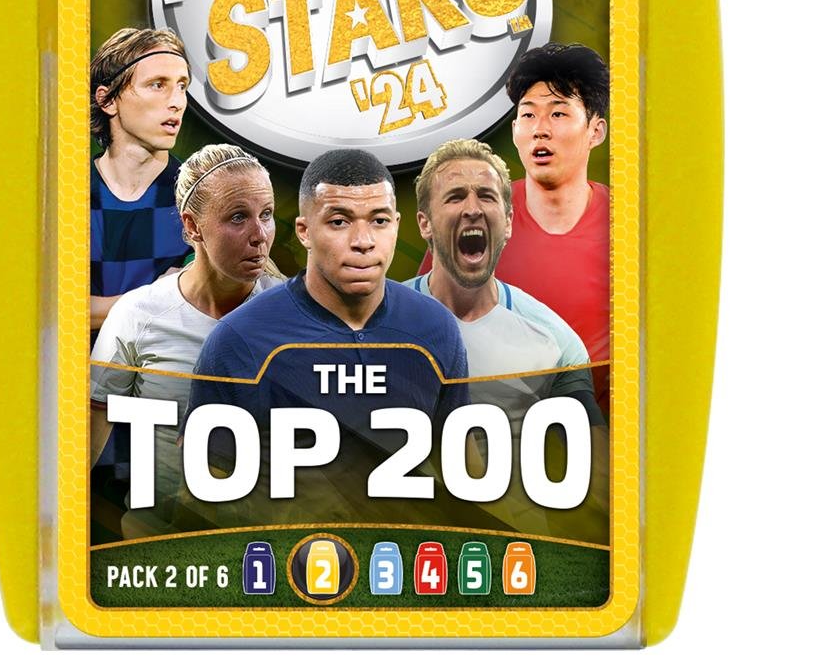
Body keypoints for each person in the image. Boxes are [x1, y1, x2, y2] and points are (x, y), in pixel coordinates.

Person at [186, 148, 469, 520]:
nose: (363, 240)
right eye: (339, 222)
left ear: (398, 225)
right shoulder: (240, 339)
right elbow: (200, 493)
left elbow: (462, 471)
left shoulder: (436, 328)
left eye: (379, 220)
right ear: (304, 231)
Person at [411, 136, 607, 535]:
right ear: (424, 223)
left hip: (511, 550)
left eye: (486, 196)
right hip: (402, 548)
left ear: (509, 223)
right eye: (455, 197)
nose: (472, 208)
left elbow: (599, 473)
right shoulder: (371, 323)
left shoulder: (555, 342)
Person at [90, 144, 284, 537]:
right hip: (156, 543)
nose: (260, 235)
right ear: (192, 226)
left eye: (266, 215)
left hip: (263, 548)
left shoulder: (296, 317)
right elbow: (89, 434)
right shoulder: (138, 314)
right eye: (238, 217)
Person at [420, 43, 610, 372]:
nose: (540, 129)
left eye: (558, 113)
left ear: (596, 131)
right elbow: (422, 319)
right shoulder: (474, 216)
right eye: (528, 114)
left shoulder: (628, 224)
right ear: (514, 130)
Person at [89, 27, 192, 333]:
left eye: (182, 86)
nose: (177, 101)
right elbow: (50, 309)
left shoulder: (200, 198)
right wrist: (152, 299)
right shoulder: (65, 194)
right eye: (158, 85)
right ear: (108, 100)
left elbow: (201, 308)